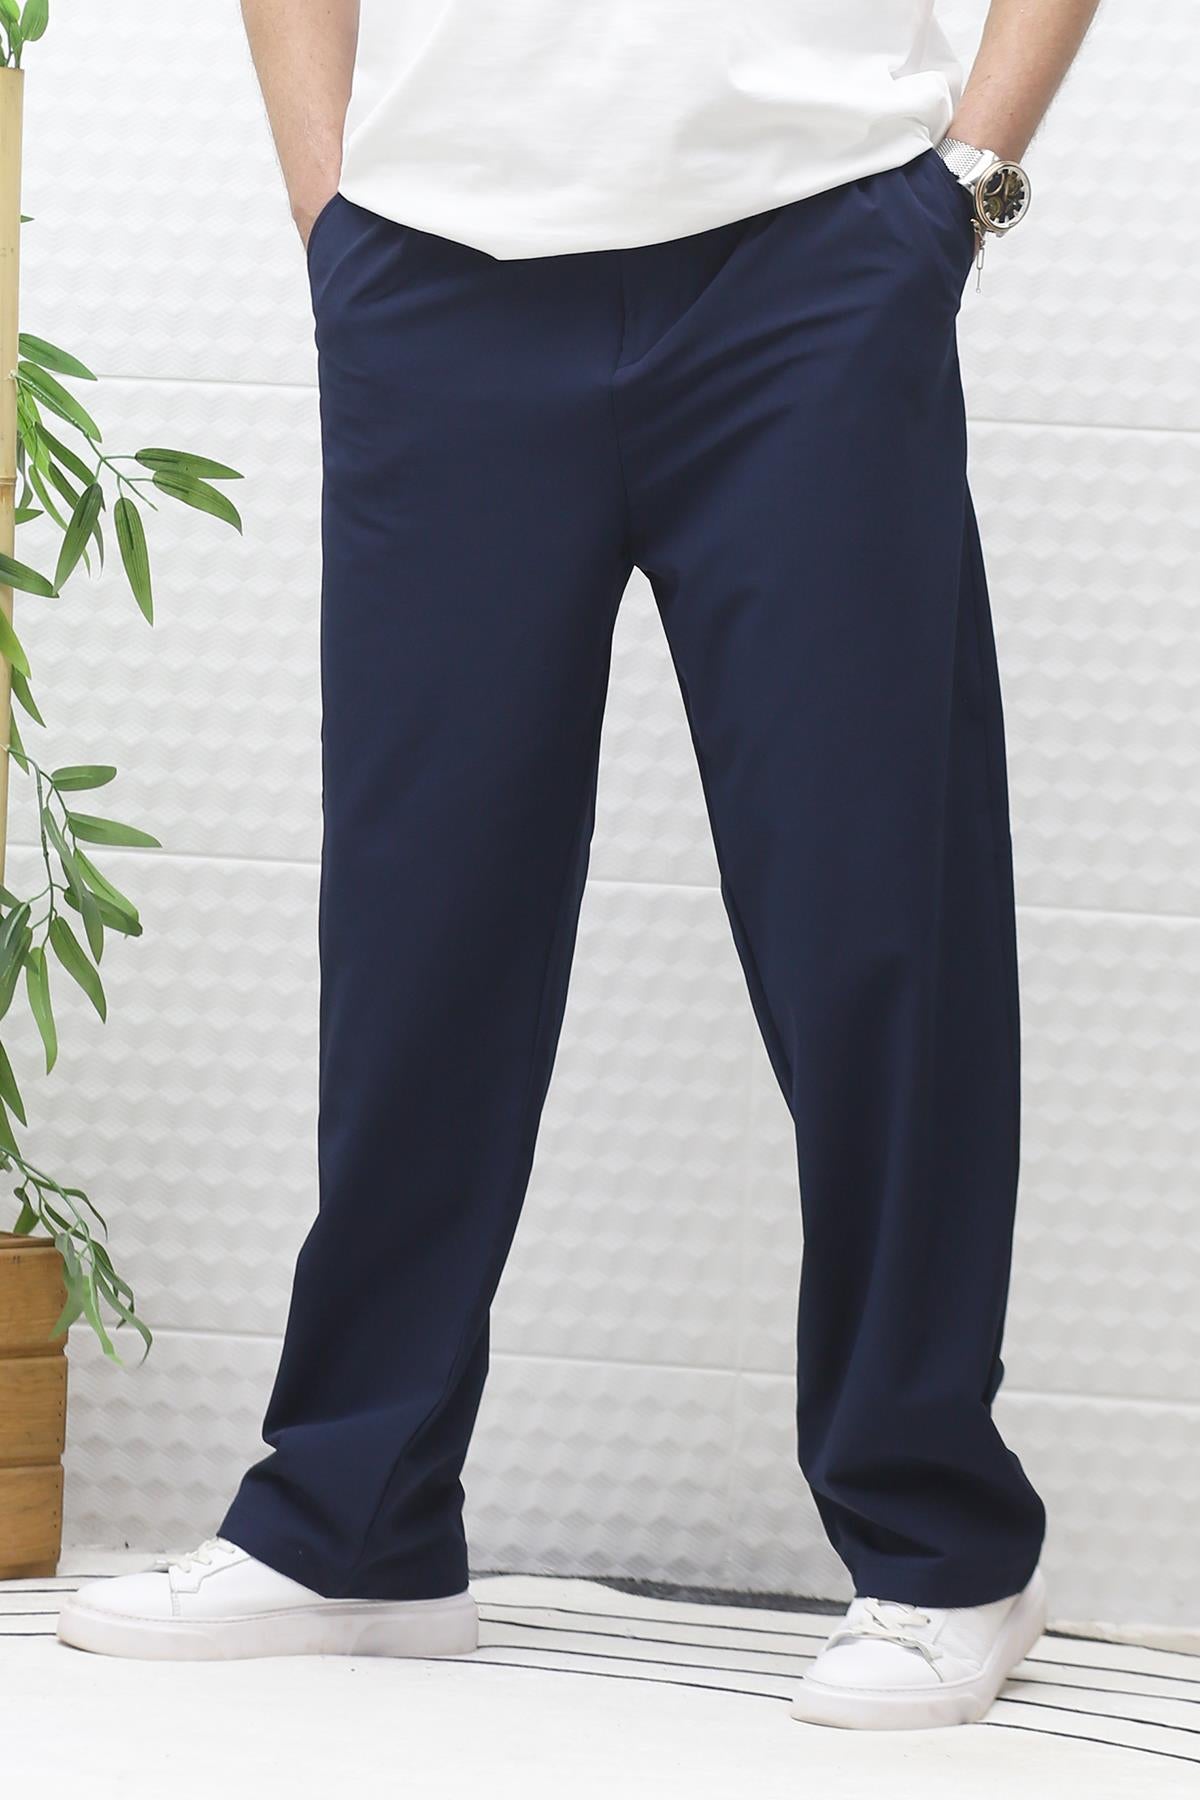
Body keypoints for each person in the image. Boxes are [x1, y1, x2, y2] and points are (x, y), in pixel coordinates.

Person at [58, 0, 1101, 1731]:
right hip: (435, 267)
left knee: (870, 918)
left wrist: (967, 181)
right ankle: (357, 1520)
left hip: (815, 248)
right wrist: (334, 216)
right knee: (417, 924)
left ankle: (942, 1543)